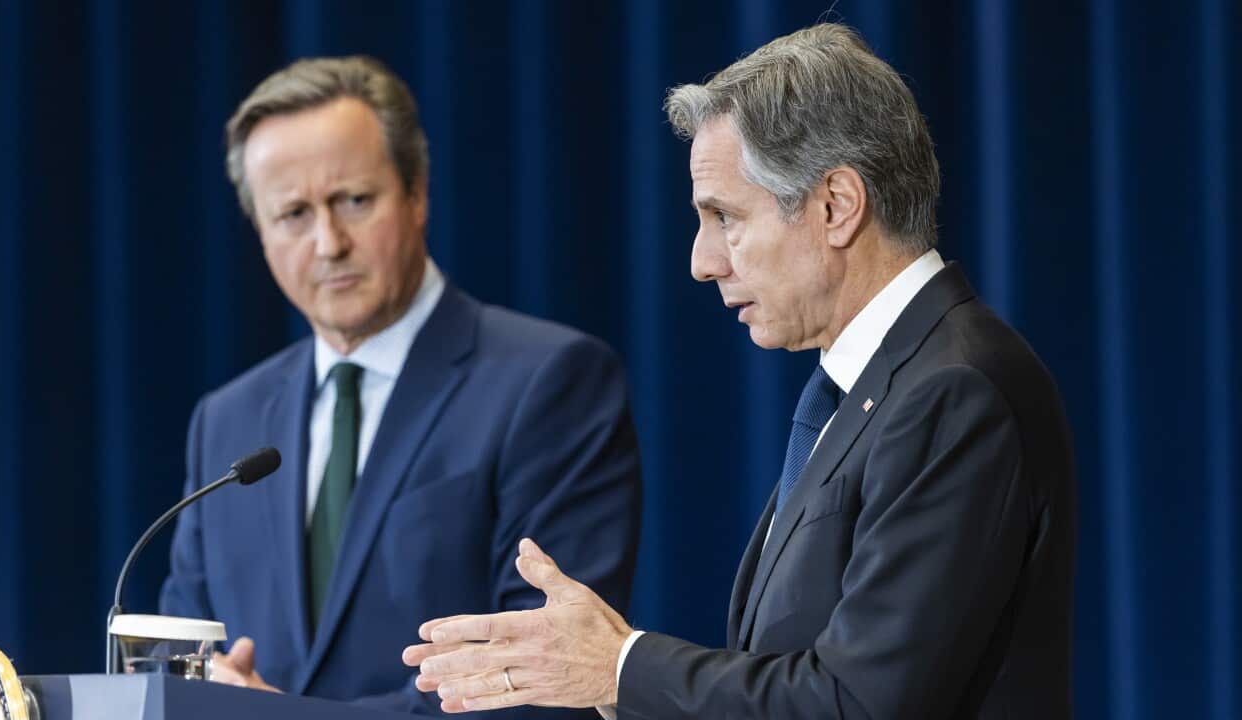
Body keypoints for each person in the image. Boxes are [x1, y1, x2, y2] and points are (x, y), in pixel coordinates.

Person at [404, 23, 1076, 719]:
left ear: (835, 206)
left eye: (724, 217)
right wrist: (612, 678)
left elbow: (859, 703)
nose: (703, 261)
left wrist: (622, 668)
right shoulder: (869, 388)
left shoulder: (954, 390)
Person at [159, 56, 642, 718]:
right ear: (261, 234)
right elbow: (186, 656)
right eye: (293, 214)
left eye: (354, 201)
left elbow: (540, 676)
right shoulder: (227, 422)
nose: (328, 243)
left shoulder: (552, 382)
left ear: (417, 193)